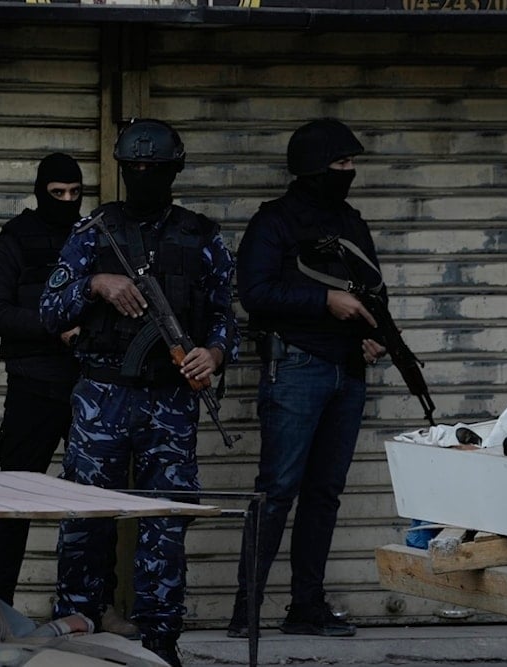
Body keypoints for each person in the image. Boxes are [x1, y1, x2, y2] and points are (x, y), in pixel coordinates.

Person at [39, 118, 239, 667]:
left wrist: (214, 354)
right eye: (136, 170)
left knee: (165, 524)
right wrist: (96, 285)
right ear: (124, 172)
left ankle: (160, 644)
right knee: (84, 521)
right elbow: (49, 309)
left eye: (155, 169)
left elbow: (225, 316)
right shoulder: (93, 232)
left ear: (175, 170)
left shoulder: (203, 237)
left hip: (171, 401)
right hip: (102, 395)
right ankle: (78, 639)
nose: (145, 178)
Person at [226, 118, 387, 639]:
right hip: (296, 367)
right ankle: (245, 612)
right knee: (277, 491)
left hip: (348, 370)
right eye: (341, 164)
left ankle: (306, 607)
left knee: (324, 494)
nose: (350, 172)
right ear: (315, 168)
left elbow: (371, 289)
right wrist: (325, 300)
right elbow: (255, 293)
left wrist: (374, 332)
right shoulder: (273, 222)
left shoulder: (351, 221)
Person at [0, 153, 137, 637]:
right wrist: (55, 328)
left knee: (96, 502)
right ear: (40, 190)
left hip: (93, 384)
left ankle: (95, 606)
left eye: (75, 193)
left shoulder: (94, 234)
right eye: (58, 194)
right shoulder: (16, 238)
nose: (68, 203)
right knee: (14, 501)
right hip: (33, 386)